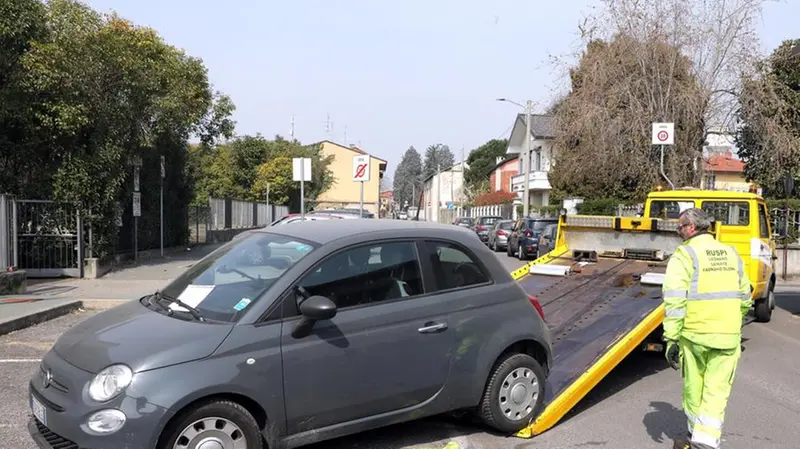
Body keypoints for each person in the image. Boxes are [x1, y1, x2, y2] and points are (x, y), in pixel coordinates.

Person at [661, 208, 752, 449]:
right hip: (727, 337)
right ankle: (705, 439)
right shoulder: (731, 253)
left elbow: (674, 301)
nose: (678, 232)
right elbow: (746, 296)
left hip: (695, 335)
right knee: (717, 390)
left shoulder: (684, 255)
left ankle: (699, 439)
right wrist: (732, 320)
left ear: (690, 227)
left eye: (679, 227)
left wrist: (671, 339)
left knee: (694, 387)